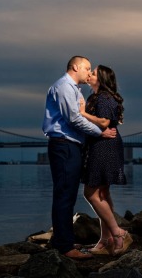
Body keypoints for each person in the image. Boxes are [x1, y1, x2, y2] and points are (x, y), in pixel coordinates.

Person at [42, 56, 117, 260]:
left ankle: (62, 240)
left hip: (70, 146)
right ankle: (65, 247)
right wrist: (99, 133)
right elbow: (73, 119)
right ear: (76, 67)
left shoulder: (75, 90)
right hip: (64, 145)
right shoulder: (65, 87)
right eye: (87, 68)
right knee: (65, 195)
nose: (89, 72)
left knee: (67, 195)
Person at [79, 65, 132, 256]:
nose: (90, 74)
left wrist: (82, 113)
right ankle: (105, 239)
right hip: (101, 144)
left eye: (93, 73)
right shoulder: (95, 97)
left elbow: (104, 122)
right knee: (102, 191)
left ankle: (118, 233)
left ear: (100, 79)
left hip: (104, 146)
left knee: (91, 192)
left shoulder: (104, 98)